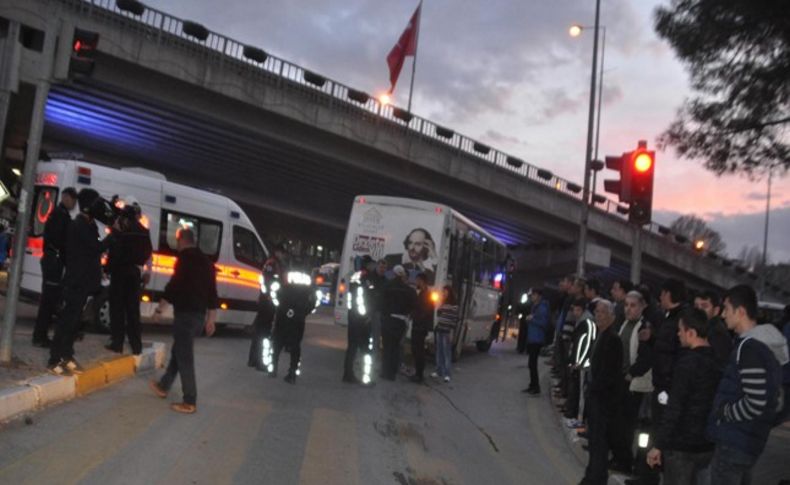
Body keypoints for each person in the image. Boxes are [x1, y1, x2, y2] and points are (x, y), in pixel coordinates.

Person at [707, 285, 786, 484]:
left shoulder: (750, 348)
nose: (723, 315)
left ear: (740, 311)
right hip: (748, 439)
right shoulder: (764, 347)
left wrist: (726, 412)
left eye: (726, 309)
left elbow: (756, 401)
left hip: (735, 440)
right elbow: (775, 398)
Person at [646, 307, 721, 485]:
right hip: (707, 446)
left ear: (691, 333)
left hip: (681, 447)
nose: (678, 334)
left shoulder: (687, 364)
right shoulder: (717, 362)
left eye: (680, 330)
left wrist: (658, 445)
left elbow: (675, 408)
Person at [149, 228, 218, 414]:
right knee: (179, 351)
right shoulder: (207, 262)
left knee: (185, 358)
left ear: (181, 241)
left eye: (177, 242)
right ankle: (164, 386)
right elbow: (213, 295)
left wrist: (158, 310)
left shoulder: (184, 260)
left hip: (185, 316)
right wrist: (211, 320)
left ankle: (190, 401)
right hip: (198, 317)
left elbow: (172, 288)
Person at [48, 189, 104, 375]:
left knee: (74, 322)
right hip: (75, 281)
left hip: (84, 282)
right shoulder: (78, 225)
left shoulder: (90, 225)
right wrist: (114, 235)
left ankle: (67, 355)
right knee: (66, 321)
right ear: (88, 206)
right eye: (96, 203)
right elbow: (95, 248)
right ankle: (54, 358)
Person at [579, 299, 624, 485]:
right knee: (595, 442)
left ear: (612, 317)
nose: (598, 316)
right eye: (597, 312)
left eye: (603, 313)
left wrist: (594, 389)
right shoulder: (601, 335)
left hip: (603, 400)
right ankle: (592, 476)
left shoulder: (613, 339)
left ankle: (596, 479)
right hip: (596, 398)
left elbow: (609, 374)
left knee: (599, 443)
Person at [611, 290, 655, 474]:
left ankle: (627, 462)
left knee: (629, 427)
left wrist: (631, 373)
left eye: (633, 305)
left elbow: (646, 357)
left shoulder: (644, 327)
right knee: (620, 424)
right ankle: (620, 458)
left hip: (636, 384)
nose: (628, 309)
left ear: (642, 306)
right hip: (623, 381)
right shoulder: (625, 324)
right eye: (626, 305)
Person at [104, 205, 152, 355]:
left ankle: (117, 343)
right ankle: (136, 346)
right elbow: (147, 252)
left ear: (125, 217)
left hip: (120, 273)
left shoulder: (122, 232)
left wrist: (107, 269)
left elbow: (114, 253)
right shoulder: (144, 232)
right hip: (135, 273)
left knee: (117, 308)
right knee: (133, 311)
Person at [33, 187, 77, 347]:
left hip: (53, 261)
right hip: (54, 262)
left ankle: (41, 335)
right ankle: (40, 337)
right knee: (48, 301)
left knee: (50, 301)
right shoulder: (60, 216)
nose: (74, 203)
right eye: (73, 199)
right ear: (66, 198)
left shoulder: (60, 215)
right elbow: (60, 241)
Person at [269, 268, 318, 384]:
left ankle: (273, 369)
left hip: (283, 314)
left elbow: (276, 291)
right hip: (298, 317)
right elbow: (314, 298)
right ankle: (292, 373)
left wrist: (279, 307)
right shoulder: (307, 278)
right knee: (295, 345)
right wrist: (306, 311)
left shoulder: (286, 275)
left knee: (278, 342)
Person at [652, 278, 687, 427]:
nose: (660, 297)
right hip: (663, 382)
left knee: (663, 426)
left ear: (668, 294)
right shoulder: (670, 317)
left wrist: (667, 382)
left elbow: (676, 352)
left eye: (662, 293)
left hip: (668, 385)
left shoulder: (681, 319)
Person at [380, 265, 417, 381]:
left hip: (388, 319)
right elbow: (414, 306)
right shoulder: (409, 290)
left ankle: (384, 371)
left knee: (386, 347)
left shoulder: (387, 286)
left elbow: (381, 302)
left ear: (394, 274)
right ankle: (392, 373)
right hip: (401, 322)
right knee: (396, 347)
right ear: (403, 275)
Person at [342, 257, 375, 384]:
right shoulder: (364, 278)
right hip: (361, 320)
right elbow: (362, 299)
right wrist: (365, 316)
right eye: (372, 264)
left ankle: (348, 374)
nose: (373, 266)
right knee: (364, 349)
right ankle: (365, 378)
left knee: (353, 347)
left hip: (354, 318)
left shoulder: (357, 276)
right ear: (367, 265)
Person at [563, 297, 593, 428]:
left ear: (581, 309)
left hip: (583, 365)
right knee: (578, 390)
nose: (574, 312)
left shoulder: (586, 322)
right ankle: (577, 416)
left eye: (576, 310)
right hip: (580, 362)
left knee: (582, 392)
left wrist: (579, 362)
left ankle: (580, 419)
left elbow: (585, 344)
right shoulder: (583, 321)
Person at [693, 290, 733, 369]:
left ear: (716, 311)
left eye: (704, 306)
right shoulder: (698, 327)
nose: (699, 310)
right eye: (696, 306)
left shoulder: (718, 334)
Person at [523, 288, 549, 395]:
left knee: (532, 363)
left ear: (538, 296)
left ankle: (535, 386)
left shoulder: (542, 308)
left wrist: (531, 320)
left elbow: (543, 323)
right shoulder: (535, 307)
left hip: (537, 338)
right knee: (531, 363)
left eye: (533, 295)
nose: (532, 297)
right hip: (532, 337)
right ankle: (532, 385)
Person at [410, 273, 434, 383]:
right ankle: (418, 373)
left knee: (418, 351)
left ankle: (419, 375)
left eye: (417, 280)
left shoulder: (426, 295)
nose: (416, 283)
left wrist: (415, 316)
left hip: (420, 326)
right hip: (420, 326)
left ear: (422, 281)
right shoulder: (424, 293)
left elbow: (426, 312)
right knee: (417, 350)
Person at [433, 285, 458, 383]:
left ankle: (447, 374)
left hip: (447, 331)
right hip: (440, 329)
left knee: (446, 352)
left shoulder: (454, 305)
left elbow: (454, 320)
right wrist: (440, 304)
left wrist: (452, 332)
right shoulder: (443, 303)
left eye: (446, 292)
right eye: (443, 292)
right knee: (439, 351)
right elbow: (438, 314)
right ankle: (438, 370)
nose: (444, 293)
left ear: (450, 292)